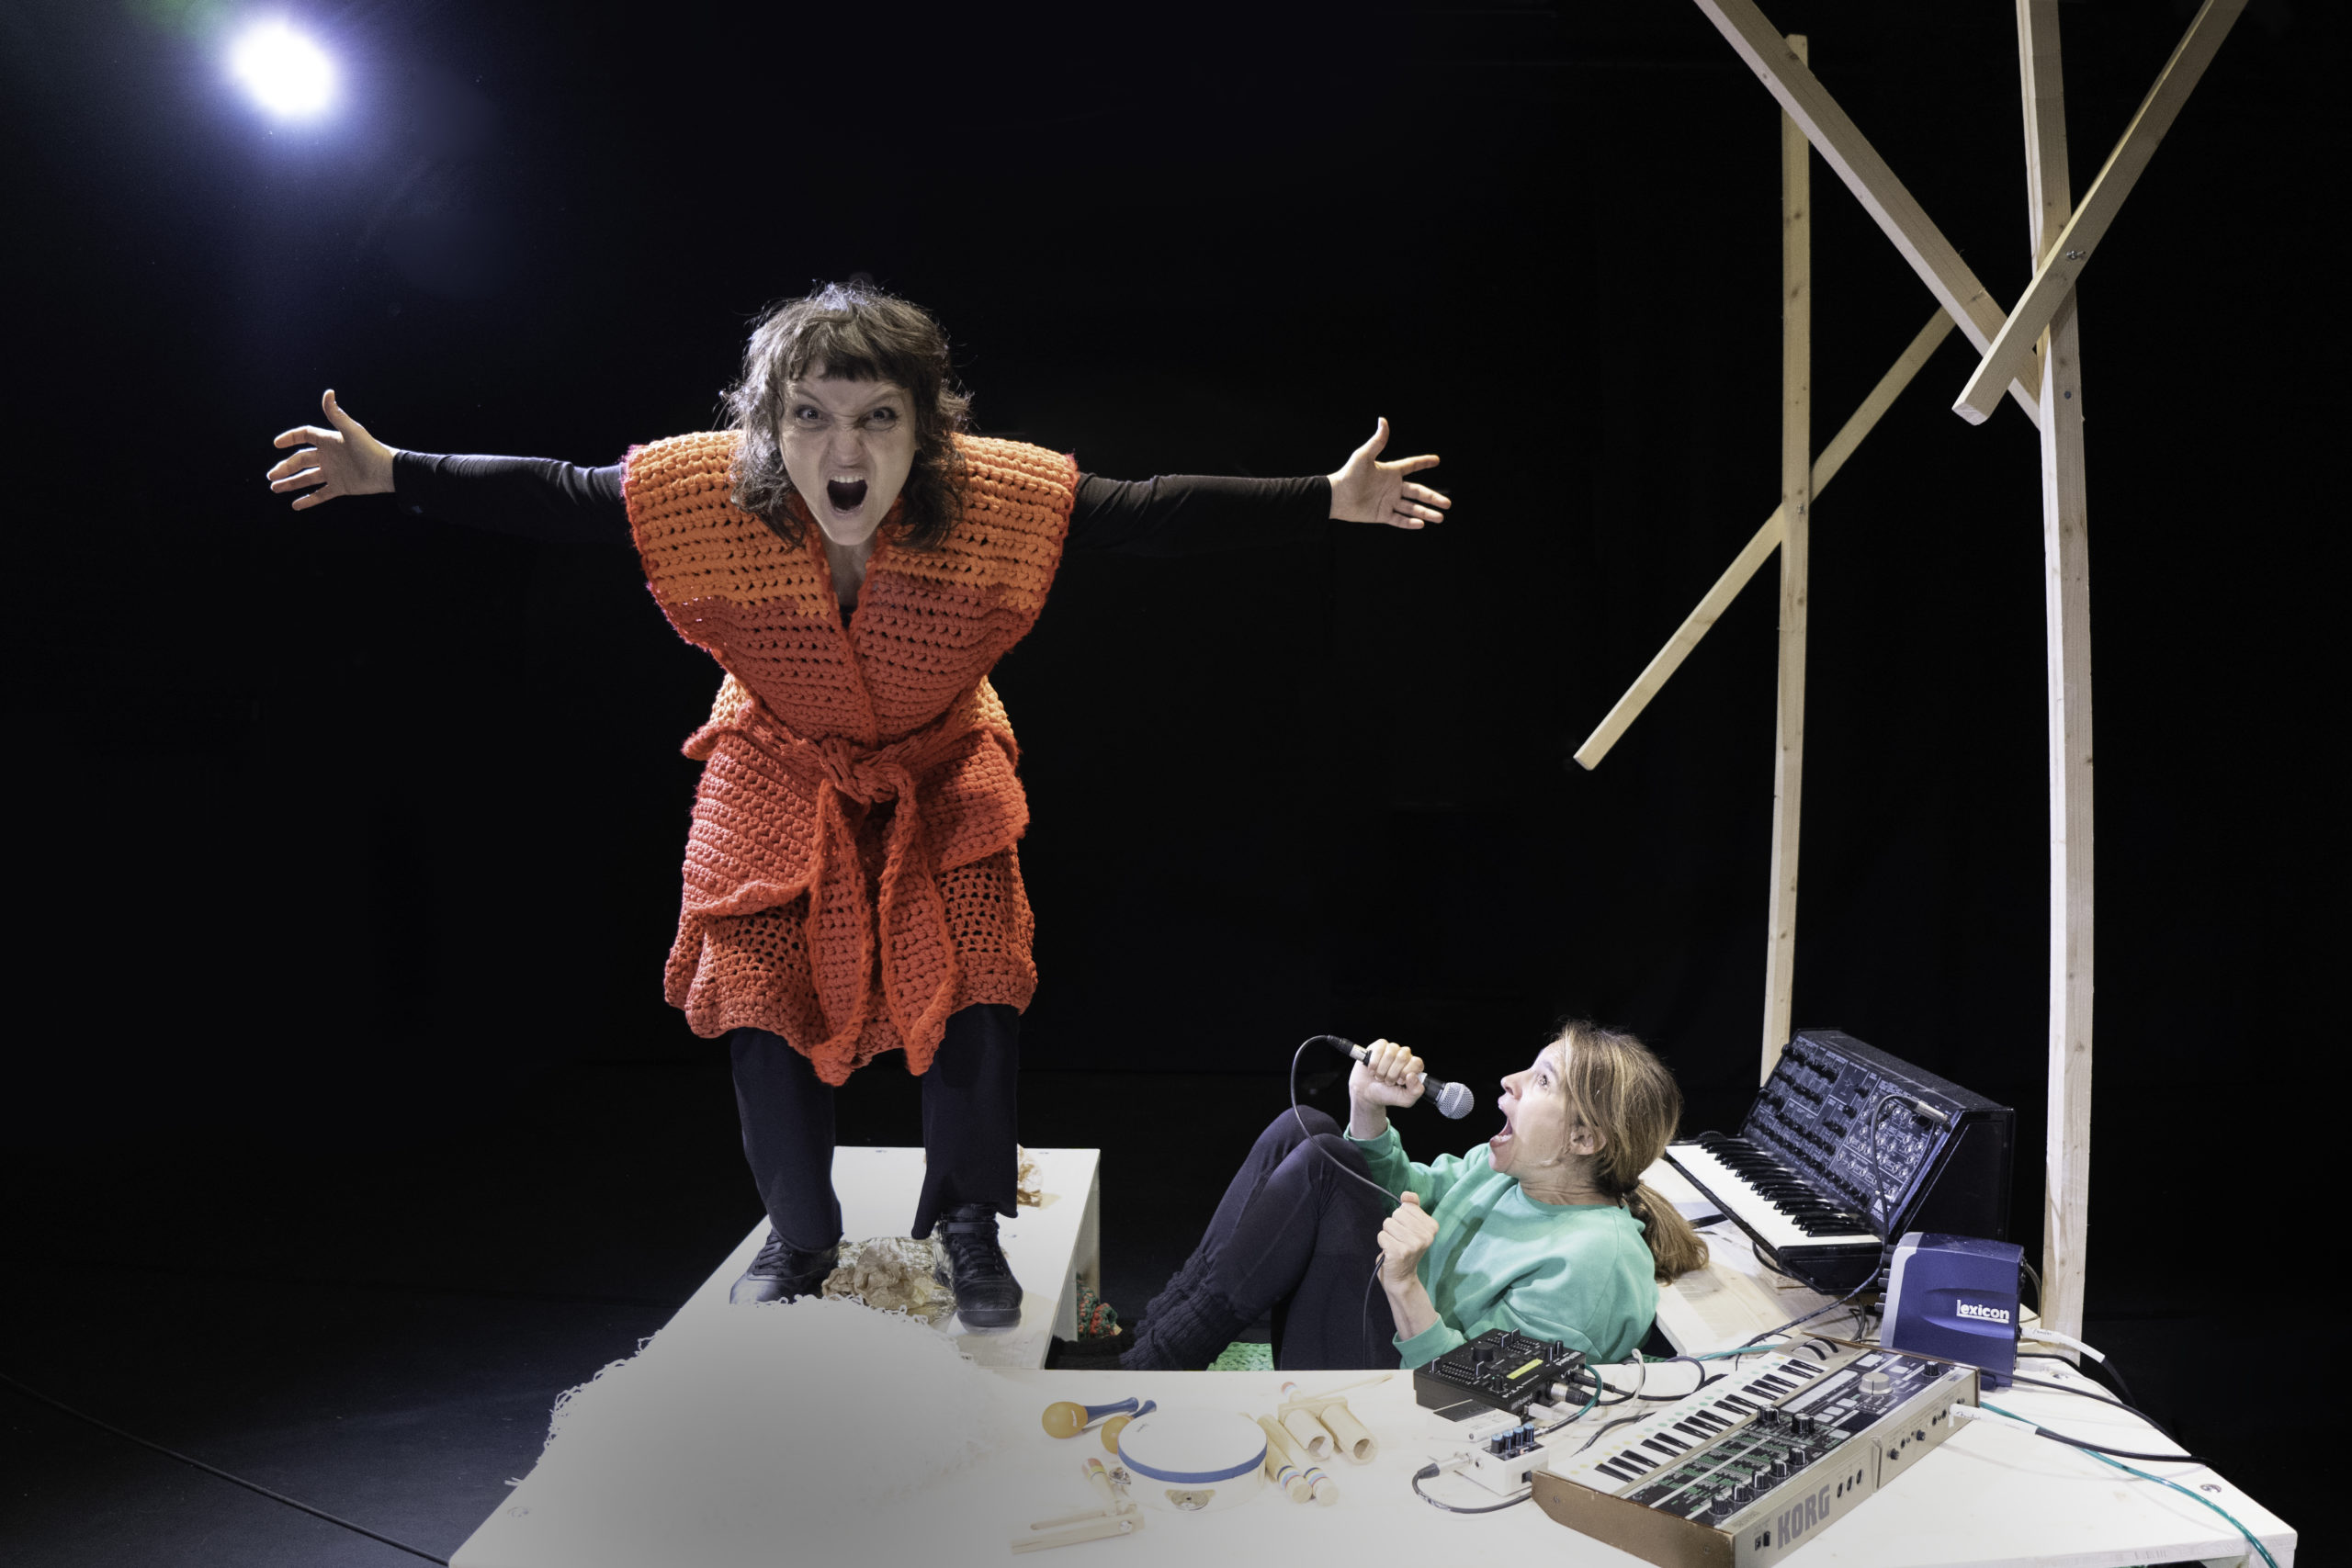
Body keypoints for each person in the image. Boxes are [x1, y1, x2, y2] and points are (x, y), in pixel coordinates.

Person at [263, 281, 1451, 1329]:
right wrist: (391, 470)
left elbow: (1143, 509)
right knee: (756, 985)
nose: (846, 447)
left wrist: (1324, 498)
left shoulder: (989, 495)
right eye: (812, 415)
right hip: (773, 756)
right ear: (768, 425)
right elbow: (562, 492)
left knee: (978, 975)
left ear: (924, 430)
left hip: (943, 757)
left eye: (879, 417)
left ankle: (971, 1225)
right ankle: (799, 1235)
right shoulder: (702, 492)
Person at [1123, 1023, 1710, 1371]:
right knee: (1302, 1129)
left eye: (1542, 1081)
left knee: (1323, 1163)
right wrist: (1366, 1108)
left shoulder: (1593, 1266)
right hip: (1377, 1340)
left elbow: (1483, 1400)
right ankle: (1151, 1339)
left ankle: (1154, 1363)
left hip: (1414, 1401)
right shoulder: (1505, 1171)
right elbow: (1395, 1192)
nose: (1509, 1081)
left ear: (1583, 1139)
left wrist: (1404, 1287)